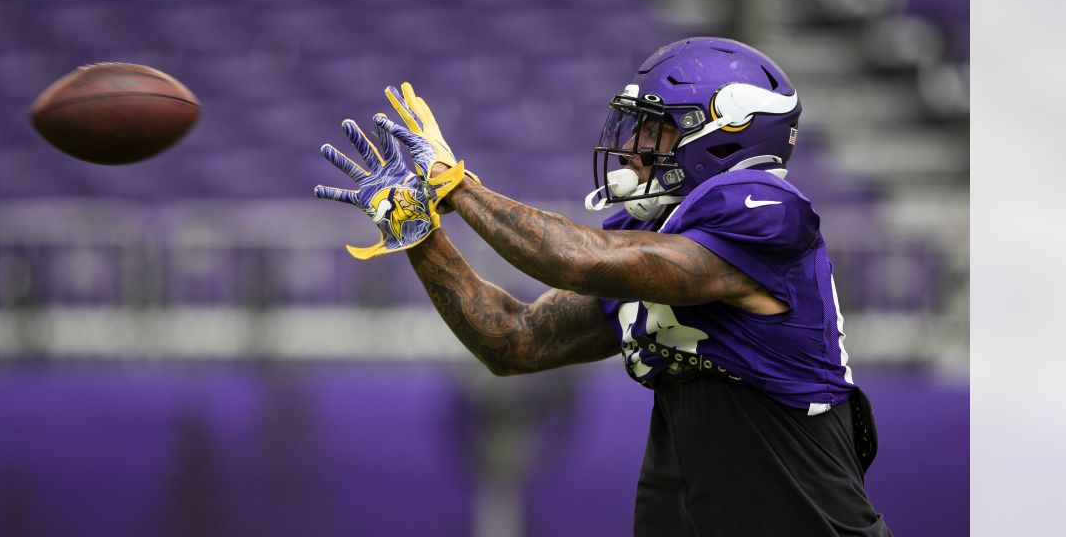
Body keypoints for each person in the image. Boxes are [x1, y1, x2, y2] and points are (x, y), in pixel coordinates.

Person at [315, 37, 892, 536]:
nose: (636, 144)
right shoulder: (654, 235)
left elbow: (583, 262)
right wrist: (418, 234)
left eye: (657, 127)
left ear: (726, 136)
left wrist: (457, 188)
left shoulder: (766, 212)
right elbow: (515, 340)